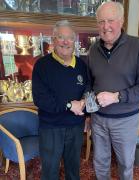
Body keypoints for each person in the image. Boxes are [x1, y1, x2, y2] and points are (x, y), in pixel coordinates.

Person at [87, 2, 139, 180]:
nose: (105, 26)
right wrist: (88, 112)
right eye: (101, 21)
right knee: (100, 162)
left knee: (125, 164)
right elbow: (89, 85)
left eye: (110, 20)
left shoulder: (138, 46)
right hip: (98, 119)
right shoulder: (93, 50)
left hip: (126, 121)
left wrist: (117, 97)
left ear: (121, 21)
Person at [32, 20, 88, 180]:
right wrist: (69, 105)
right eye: (60, 37)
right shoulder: (42, 65)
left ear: (74, 41)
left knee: (73, 170)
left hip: (75, 128)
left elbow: (88, 87)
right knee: (50, 172)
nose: (65, 42)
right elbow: (40, 99)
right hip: (51, 128)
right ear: (53, 40)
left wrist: (84, 101)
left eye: (69, 38)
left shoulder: (82, 66)